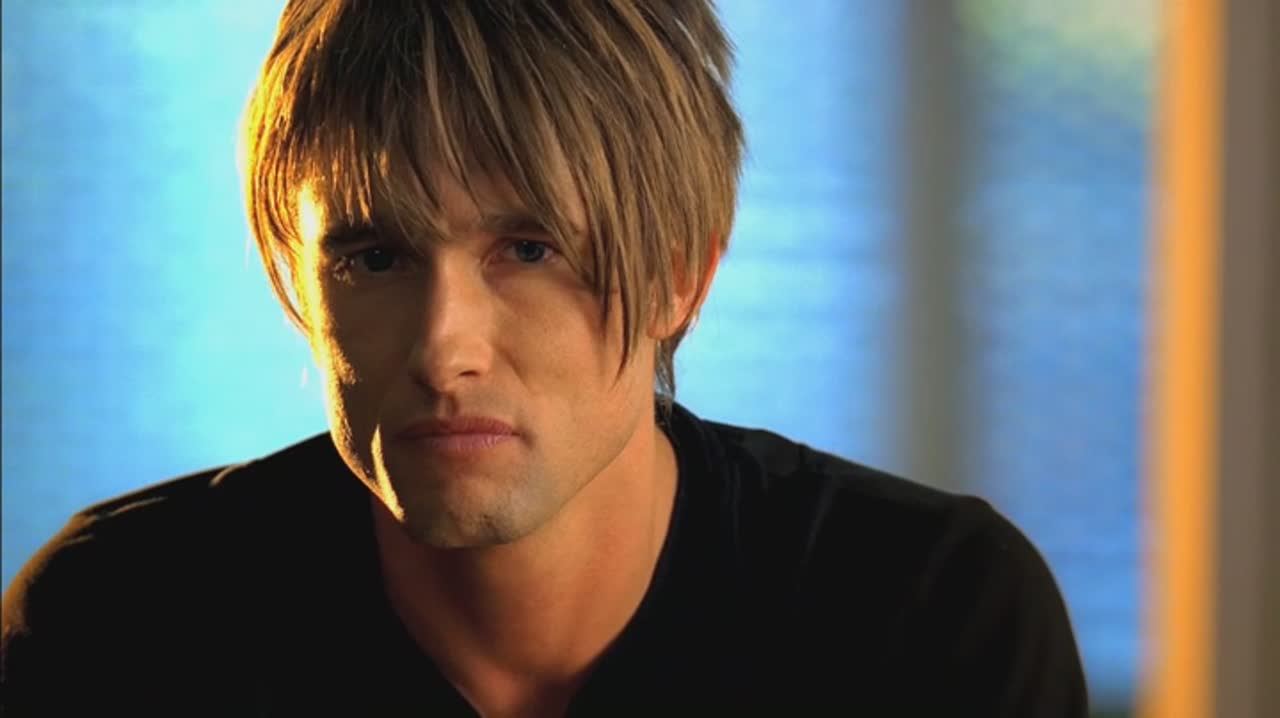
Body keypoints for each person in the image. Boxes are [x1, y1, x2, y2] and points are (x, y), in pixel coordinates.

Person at [1, 1, 1088, 715]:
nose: (444, 348)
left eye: (528, 249)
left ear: (681, 276)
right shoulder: (122, 627)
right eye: (374, 257)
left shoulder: (924, 619)